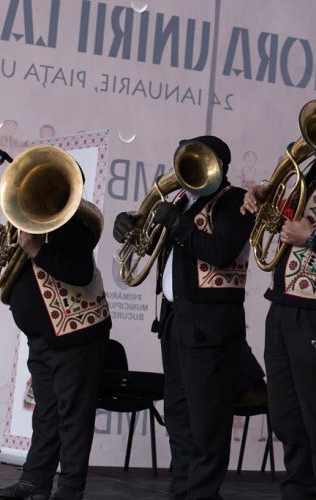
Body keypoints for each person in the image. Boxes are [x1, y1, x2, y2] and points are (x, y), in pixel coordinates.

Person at [113, 135, 258, 499]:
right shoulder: (179, 200)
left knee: (207, 423)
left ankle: (202, 494)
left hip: (211, 327)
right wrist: (130, 226)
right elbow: (150, 243)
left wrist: (178, 224)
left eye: (198, 161)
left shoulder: (236, 201)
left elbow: (221, 251)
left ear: (220, 166)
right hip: (176, 321)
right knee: (178, 418)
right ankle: (183, 492)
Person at [0, 200, 111, 500]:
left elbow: (80, 272)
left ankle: (70, 488)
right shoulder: (28, 227)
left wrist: (38, 250)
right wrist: (1, 244)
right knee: (46, 412)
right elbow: (18, 269)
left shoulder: (72, 226)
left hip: (75, 333)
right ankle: (35, 480)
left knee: (73, 415)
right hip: (43, 336)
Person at [241, 158, 316, 499]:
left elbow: (304, 230)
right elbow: (288, 217)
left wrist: (311, 237)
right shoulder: (309, 169)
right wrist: (264, 198)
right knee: (287, 419)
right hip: (283, 304)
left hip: (311, 310)